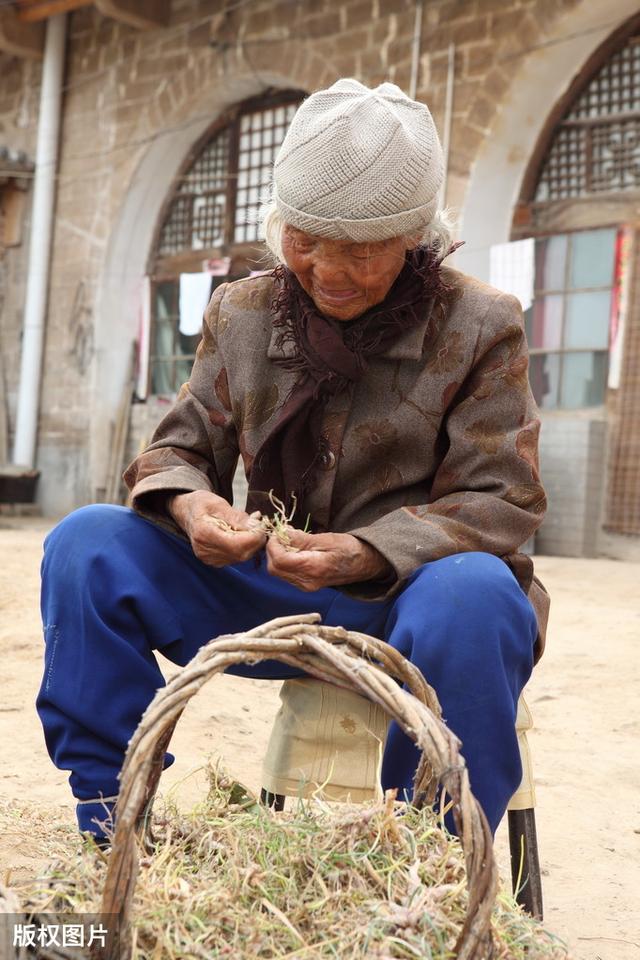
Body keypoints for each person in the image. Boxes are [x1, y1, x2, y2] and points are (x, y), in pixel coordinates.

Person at [37, 79, 549, 843]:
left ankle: (428, 858)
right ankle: (112, 823)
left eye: (359, 250)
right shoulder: (242, 314)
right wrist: (188, 504)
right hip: (270, 596)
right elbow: (176, 449)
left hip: (411, 610)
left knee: (474, 593)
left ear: (414, 238)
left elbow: (501, 499)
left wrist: (364, 552)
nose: (328, 271)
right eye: (306, 241)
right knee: (86, 544)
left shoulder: (480, 325)